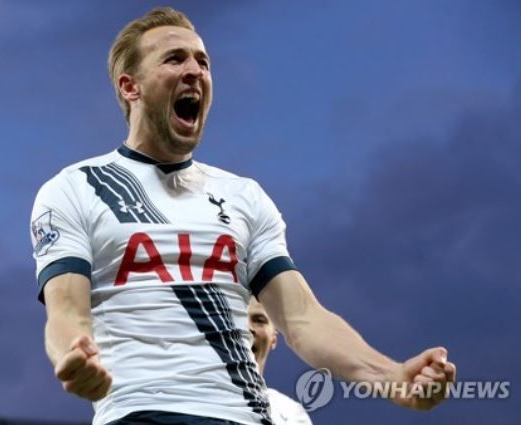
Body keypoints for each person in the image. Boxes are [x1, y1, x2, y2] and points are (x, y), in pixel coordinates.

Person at [30, 7, 456, 425]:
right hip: (140, 412)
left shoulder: (244, 197)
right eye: (174, 59)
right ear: (130, 87)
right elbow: (66, 312)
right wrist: (73, 355)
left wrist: (392, 377)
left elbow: (303, 319)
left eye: (203, 62)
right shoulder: (75, 189)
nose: (195, 70)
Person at [248, 299, 313, 425]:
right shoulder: (205, 400)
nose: (248, 328)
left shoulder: (291, 414)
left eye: (259, 320)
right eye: (238, 319)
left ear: (273, 338)